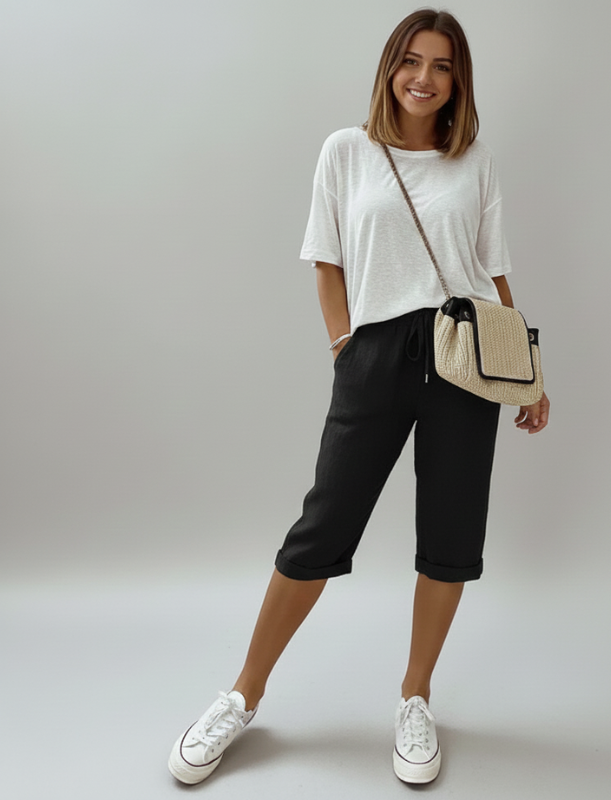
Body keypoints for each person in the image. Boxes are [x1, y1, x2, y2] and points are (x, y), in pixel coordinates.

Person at [168, 7, 550, 787]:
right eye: (413, 60)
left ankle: (415, 697)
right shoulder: (347, 151)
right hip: (375, 354)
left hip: (465, 358)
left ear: (458, 80)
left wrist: (529, 373)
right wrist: (346, 347)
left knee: (451, 532)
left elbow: (493, 267)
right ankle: (242, 694)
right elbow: (326, 258)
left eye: (443, 65)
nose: (425, 77)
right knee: (323, 527)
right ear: (389, 66)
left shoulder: (473, 159)